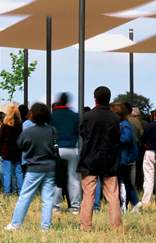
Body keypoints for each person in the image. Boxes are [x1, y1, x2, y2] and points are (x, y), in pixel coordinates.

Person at [77, 86, 124, 231]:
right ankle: (116, 226)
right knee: (112, 195)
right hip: (109, 159)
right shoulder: (115, 118)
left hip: (90, 159)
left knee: (88, 194)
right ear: (109, 100)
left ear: (95, 99)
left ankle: (86, 226)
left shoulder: (88, 116)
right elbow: (117, 138)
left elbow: (83, 133)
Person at [8, 102, 61, 230]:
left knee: (25, 196)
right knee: (48, 199)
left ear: (33, 115)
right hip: (50, 167)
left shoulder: (29, 131)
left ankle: (15, 224)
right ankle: (45, 227)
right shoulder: (52, 130)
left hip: (34, 168)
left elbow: (20, 144)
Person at [49, 93, 81, 210]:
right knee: (73, 178)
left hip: (58, 149)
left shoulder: (54, 115)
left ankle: (55, 206)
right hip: (73, 148)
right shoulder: (74, 115)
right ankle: (74, 206)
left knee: (57, 178)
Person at [0, 106, 23, 197]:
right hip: (18, 150)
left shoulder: (5, 125)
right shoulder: (20, 124)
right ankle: (20, 191)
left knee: (7, 172)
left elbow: (0, 138)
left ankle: (7, 192)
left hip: (6, 150)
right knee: (19, 172)